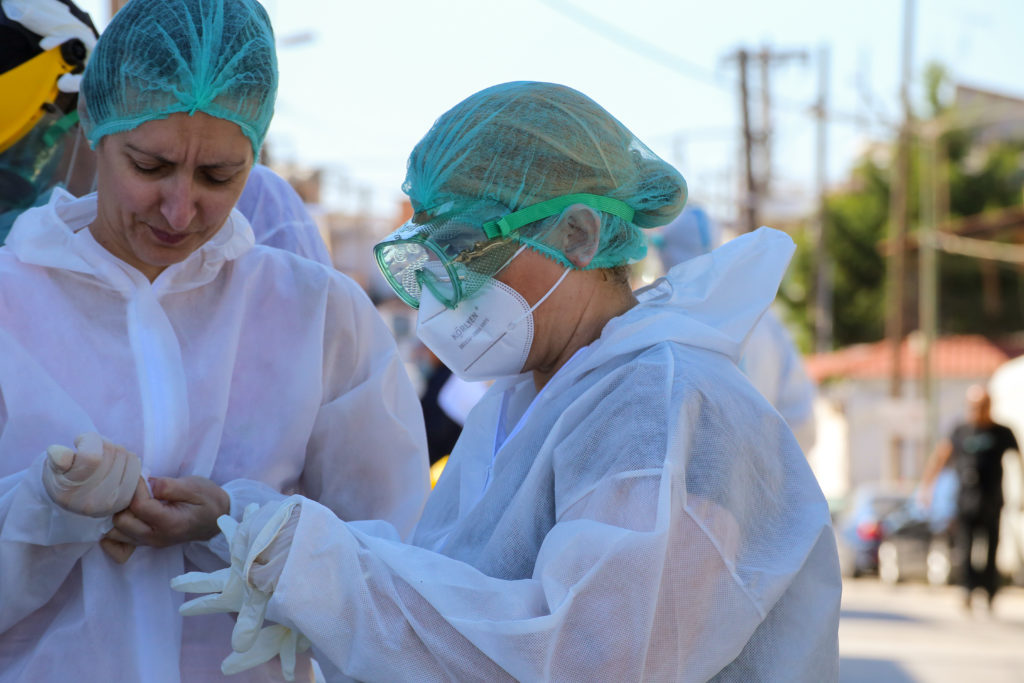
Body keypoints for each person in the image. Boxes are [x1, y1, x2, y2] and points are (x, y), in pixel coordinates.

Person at [176, 81, 841, 681]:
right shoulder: (529, 397)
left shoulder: (660, 402)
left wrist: (314, 565)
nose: (445, 291)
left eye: (469, 249)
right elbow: (448, 583)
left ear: (578, 234)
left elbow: (584, 657)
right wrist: (246, 523)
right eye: (431, 258)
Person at [0, 1, 429, 681]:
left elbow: (398, 572)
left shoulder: (316, 316)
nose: (179, 208)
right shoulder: (10, 303)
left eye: (218, 176)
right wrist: (41, 512)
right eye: (149, 164)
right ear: (91, 126)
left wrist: (243, 523)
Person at [653, 204, 818, 454]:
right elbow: (800, 414)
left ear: (665, 253)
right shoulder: (761, 317)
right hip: (763, 477)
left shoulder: (658, 327)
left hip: (695, 485)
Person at [921, 384, 1021, 611]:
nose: (978, 410)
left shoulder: (1002, 432)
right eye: (974, 405)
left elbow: (1018, 460)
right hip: (965, 500)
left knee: (991, 548)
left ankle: (989, 591)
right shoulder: (960, 430)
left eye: (983, 405)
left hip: (993, 500)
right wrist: (926, 489)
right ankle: (967, 588)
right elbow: (940, 457)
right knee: (965, 548)